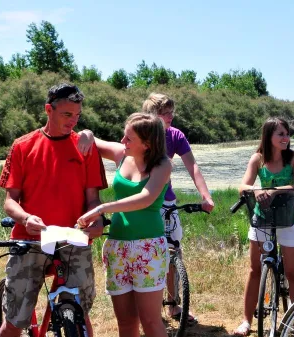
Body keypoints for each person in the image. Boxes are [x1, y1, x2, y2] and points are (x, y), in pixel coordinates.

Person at [0, 83, 108, 337]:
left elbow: (92, 199)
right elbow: (10, 201)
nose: (72, 121)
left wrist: (93, 218)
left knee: (80, 313)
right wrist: (25, 218)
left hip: (72, 239)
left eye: (78, 116)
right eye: (66, 114)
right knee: (14, 321)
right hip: (30, 239)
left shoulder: (85, 148)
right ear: (48, 109)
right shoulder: (23, 146)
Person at [79, 92, 213, 324]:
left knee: (173, 250)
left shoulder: (174, 139)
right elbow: (97, 144)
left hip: (164, 200)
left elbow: (193, 166)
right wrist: (87, 133)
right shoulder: (131, 143)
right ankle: (149, 304)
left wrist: (205, 195)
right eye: (164, 113)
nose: (170, 117)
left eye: (172, 112)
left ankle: (172, 304)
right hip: (131, 219)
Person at [76, 112, 173, 337]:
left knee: (151, 320)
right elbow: (91, 139)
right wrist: (88, 134)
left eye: (129, 137)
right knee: (125, 321)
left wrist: (104, 207)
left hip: (148, 249)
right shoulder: (121, 155)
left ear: (147, 142)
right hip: (117, 247)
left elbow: (146, 198)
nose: (122, 140)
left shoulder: (162, 165)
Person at [234, 117, 294, 336]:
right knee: (255, 270)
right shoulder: (258, 159)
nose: (286, 138)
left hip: (289, 219)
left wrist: (275, 190)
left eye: (287, 134)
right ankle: (246, 321)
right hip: (262, 218)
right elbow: (242, 186)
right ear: (268, 136)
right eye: (280, 134)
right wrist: (255, 191)